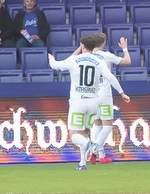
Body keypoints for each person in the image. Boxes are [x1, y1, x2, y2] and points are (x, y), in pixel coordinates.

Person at [48, 35, 130, 170]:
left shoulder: (75, 60)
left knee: (74, 135)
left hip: (78, 102)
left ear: (82, 46)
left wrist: (51, 59)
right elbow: (110, 77)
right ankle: (82, 163)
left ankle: (90, 145)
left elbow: (55, 66)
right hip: (93, 102)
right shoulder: (99, 61)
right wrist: (122, 92)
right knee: (85, 131)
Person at [86, 32, 132, 164]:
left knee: (97, 124)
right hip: (104, 95)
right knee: (107, 126)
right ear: (103, 43)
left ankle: (101, 156)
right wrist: (124, 48)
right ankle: (94, 150)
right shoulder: (106, 55)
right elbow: (127, 61)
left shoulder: (87, 57)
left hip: (91, 95)